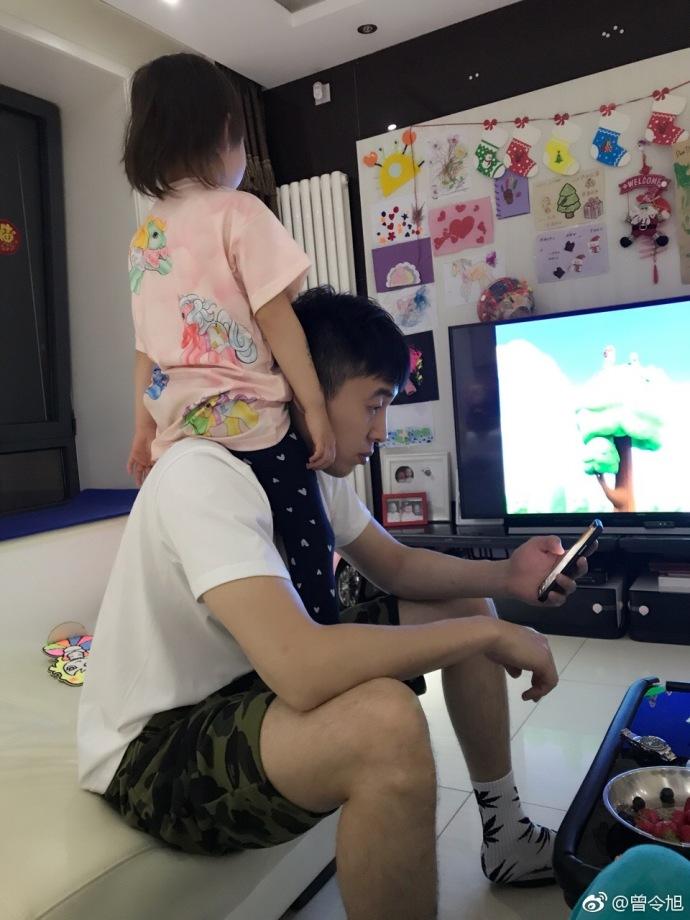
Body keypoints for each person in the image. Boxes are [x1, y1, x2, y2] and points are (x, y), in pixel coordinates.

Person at [78, 288, 590, 920]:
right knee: (384, 725)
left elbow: (395, 565)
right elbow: (302, 669)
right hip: (157, 747)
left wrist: (507, 575)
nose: (381, 431)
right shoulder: (204, 473)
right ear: (309, 392)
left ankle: (506, 834)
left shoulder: (304, 468)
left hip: (253, 680)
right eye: (373, 405)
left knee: (461, 602)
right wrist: (488, 636)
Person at [122, 52, 339, 625]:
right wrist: (313, 406)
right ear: (226, 132)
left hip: (180, 437)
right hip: (253, 427)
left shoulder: (145, 238)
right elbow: (278, 320)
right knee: (307, 540)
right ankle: (321, 635)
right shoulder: (240, 212)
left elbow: (147, 349)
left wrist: (143, 430)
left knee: (232, 559)